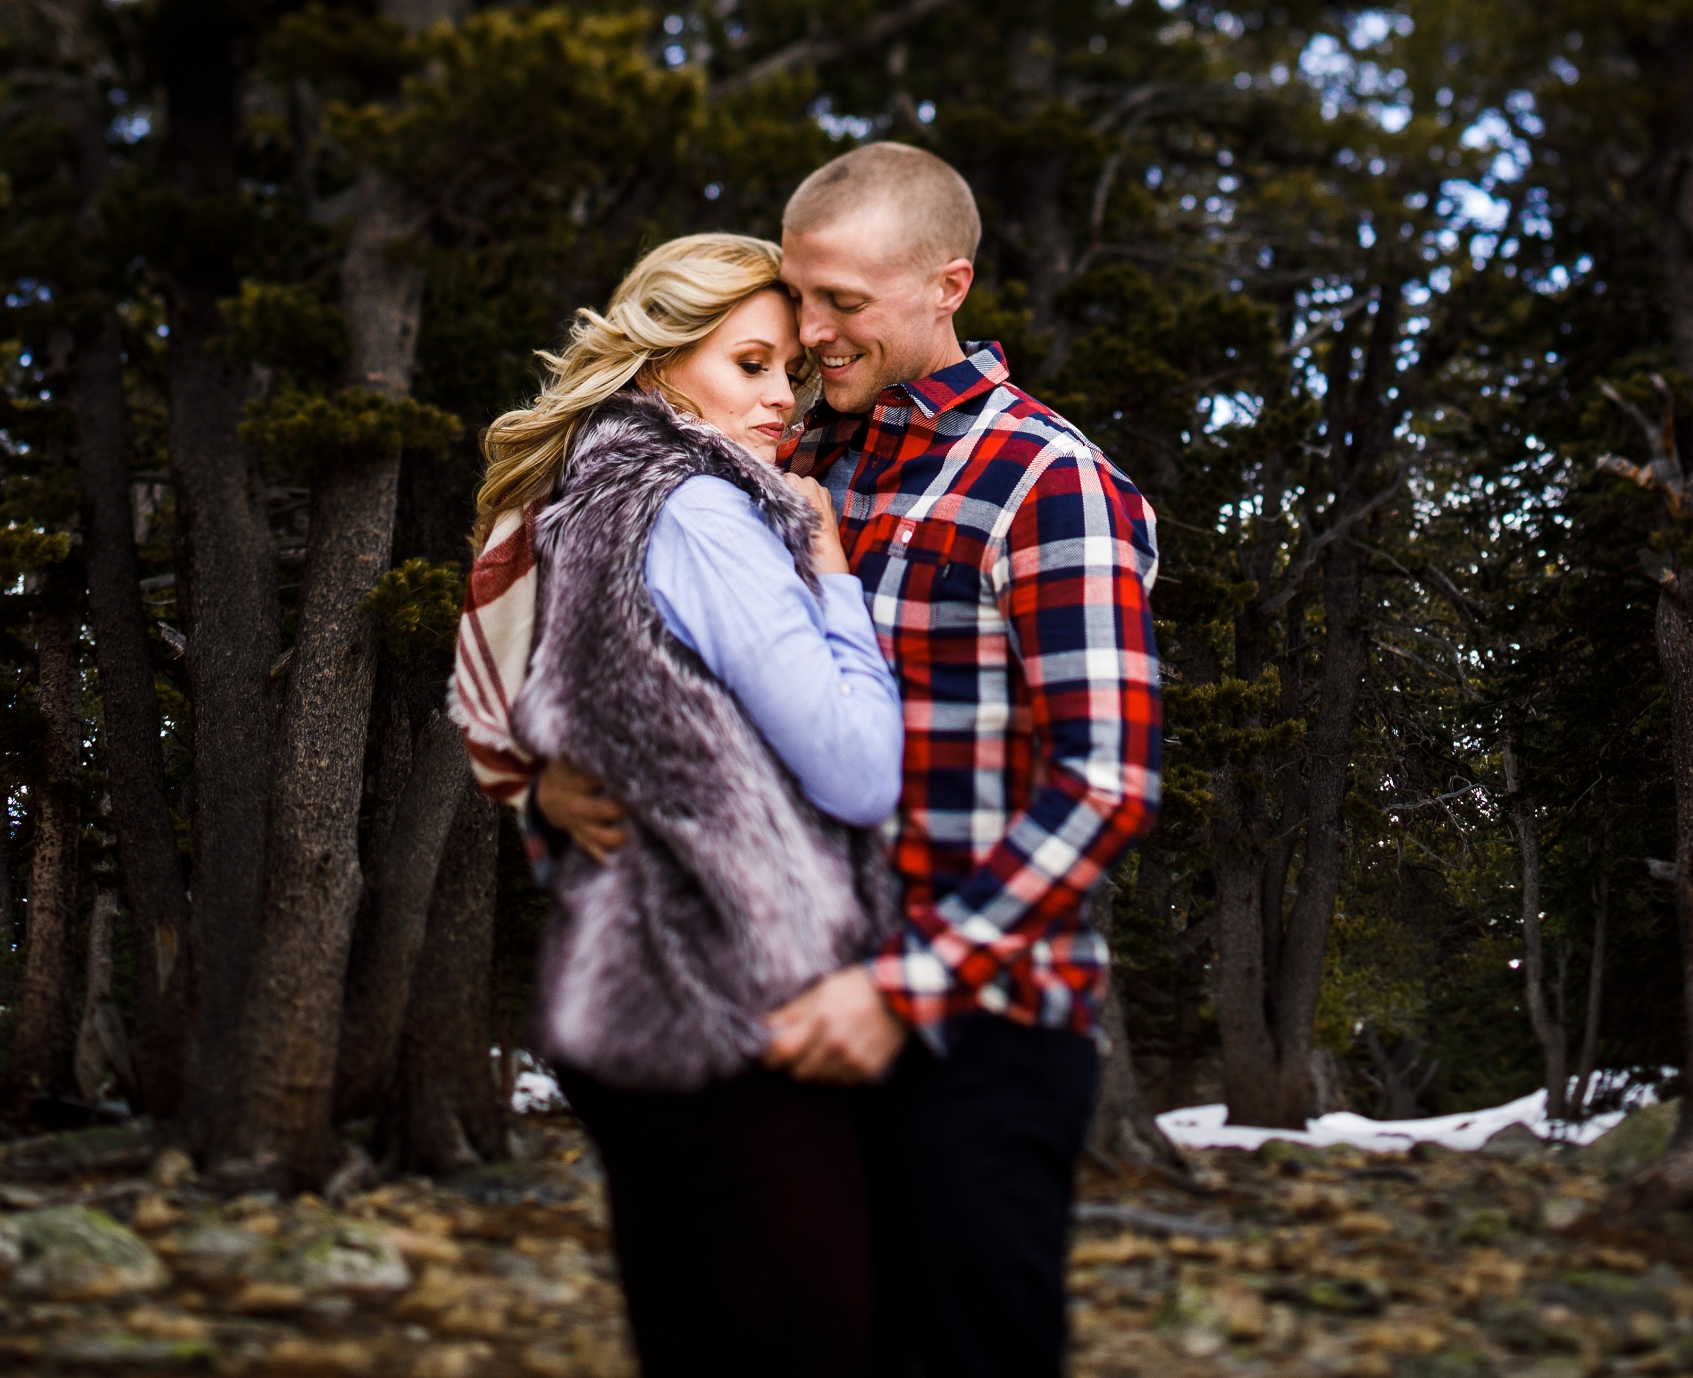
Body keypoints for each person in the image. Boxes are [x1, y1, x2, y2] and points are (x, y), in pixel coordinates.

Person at [541, 144, 1165, 1378]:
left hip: (972, 1024)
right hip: (791, 1014)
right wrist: (552, 789)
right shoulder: (789, 454)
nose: (811, 330)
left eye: (842, 300)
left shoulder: (1048, 482)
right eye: (799, 293)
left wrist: (903, 987)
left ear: (947, 284)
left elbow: (1105, 779)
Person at [459, 232, 903, 1378]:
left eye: (790, 374)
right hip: (735, 1004)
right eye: (749, 364)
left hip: (624, 1008)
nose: (780, 402)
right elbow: (856, 769)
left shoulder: (574, 500)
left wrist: (544, 787)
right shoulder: (703, 509)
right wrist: (836, 577)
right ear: (658, 368)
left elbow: (527, 695)